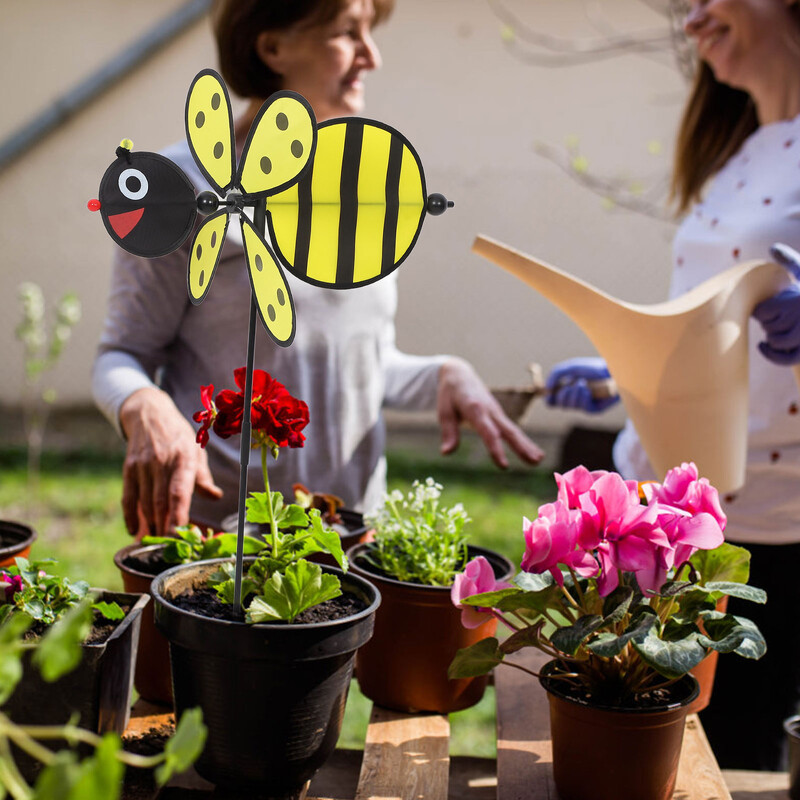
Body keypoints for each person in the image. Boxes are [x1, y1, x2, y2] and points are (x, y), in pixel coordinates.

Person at [92, 0, 543, 540]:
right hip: (215, 543)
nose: (371, 56)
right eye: (346, 33)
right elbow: (121, 355)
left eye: (370, 32)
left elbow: (359, 366)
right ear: (273, 47)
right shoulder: (181, 192)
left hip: (348, 541)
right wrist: (143, 403)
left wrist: (444, 374)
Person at [545, 0, 800, 771]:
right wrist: (632, 374)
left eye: (706, 0)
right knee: (640, 751)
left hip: (771, 529)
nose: (690, 21)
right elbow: (711, 328)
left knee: (734, 761)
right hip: (663, 512)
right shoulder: (741, 151)